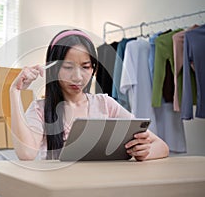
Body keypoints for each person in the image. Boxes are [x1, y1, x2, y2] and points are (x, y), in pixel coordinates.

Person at [10, 29, 169, 161]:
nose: (78, 77)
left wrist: (144, 153)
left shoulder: (105, 104)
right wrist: (15, 92)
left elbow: (161, 146)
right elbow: (26, 154)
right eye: (68, 67)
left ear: (94, 69)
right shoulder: (40, 110)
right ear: (53, 69)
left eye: (85, 67)